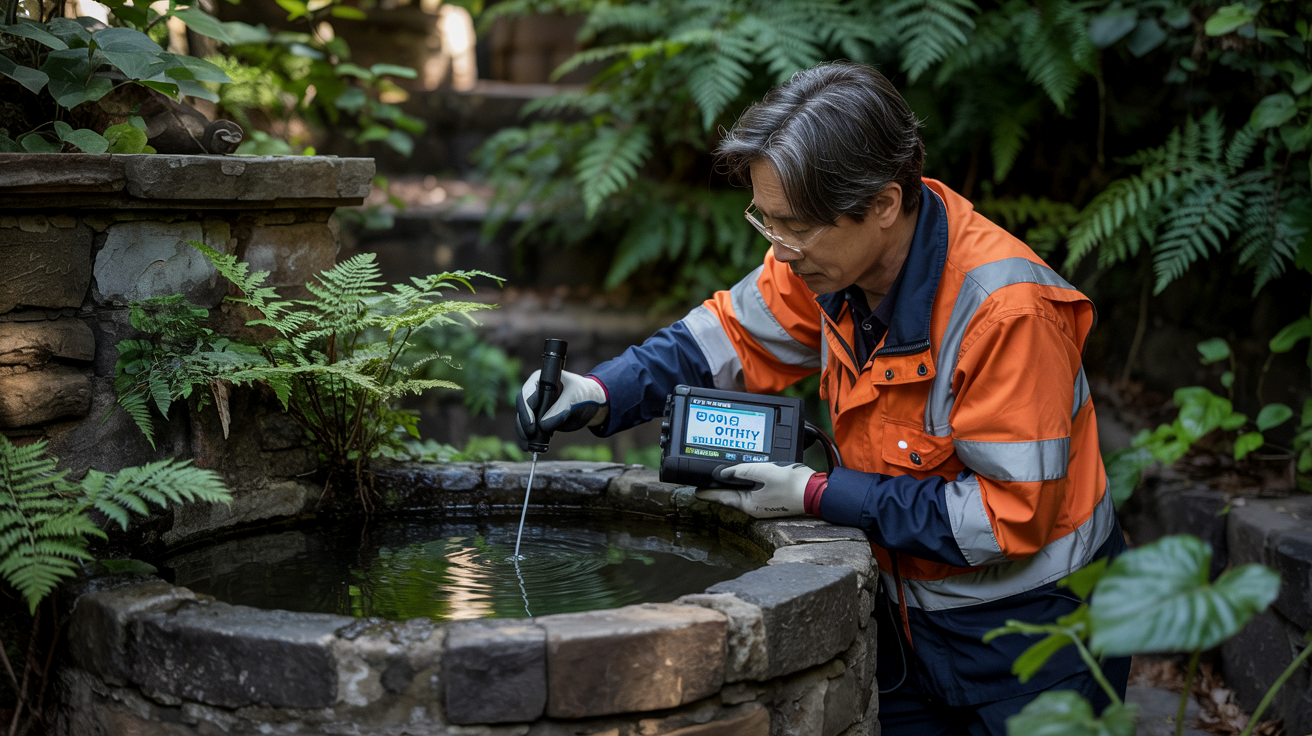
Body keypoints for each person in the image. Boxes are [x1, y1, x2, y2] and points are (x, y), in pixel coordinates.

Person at [515, 61, 1129, 736]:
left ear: (883, 205)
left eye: (795, 227)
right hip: (902, 629)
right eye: (766, 222)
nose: (780, 251)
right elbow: (726, 337)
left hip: (1036, 642)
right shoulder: (826, 264)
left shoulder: (1006, 314)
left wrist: (815, 494)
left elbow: (1006, 517)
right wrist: (601, 391)